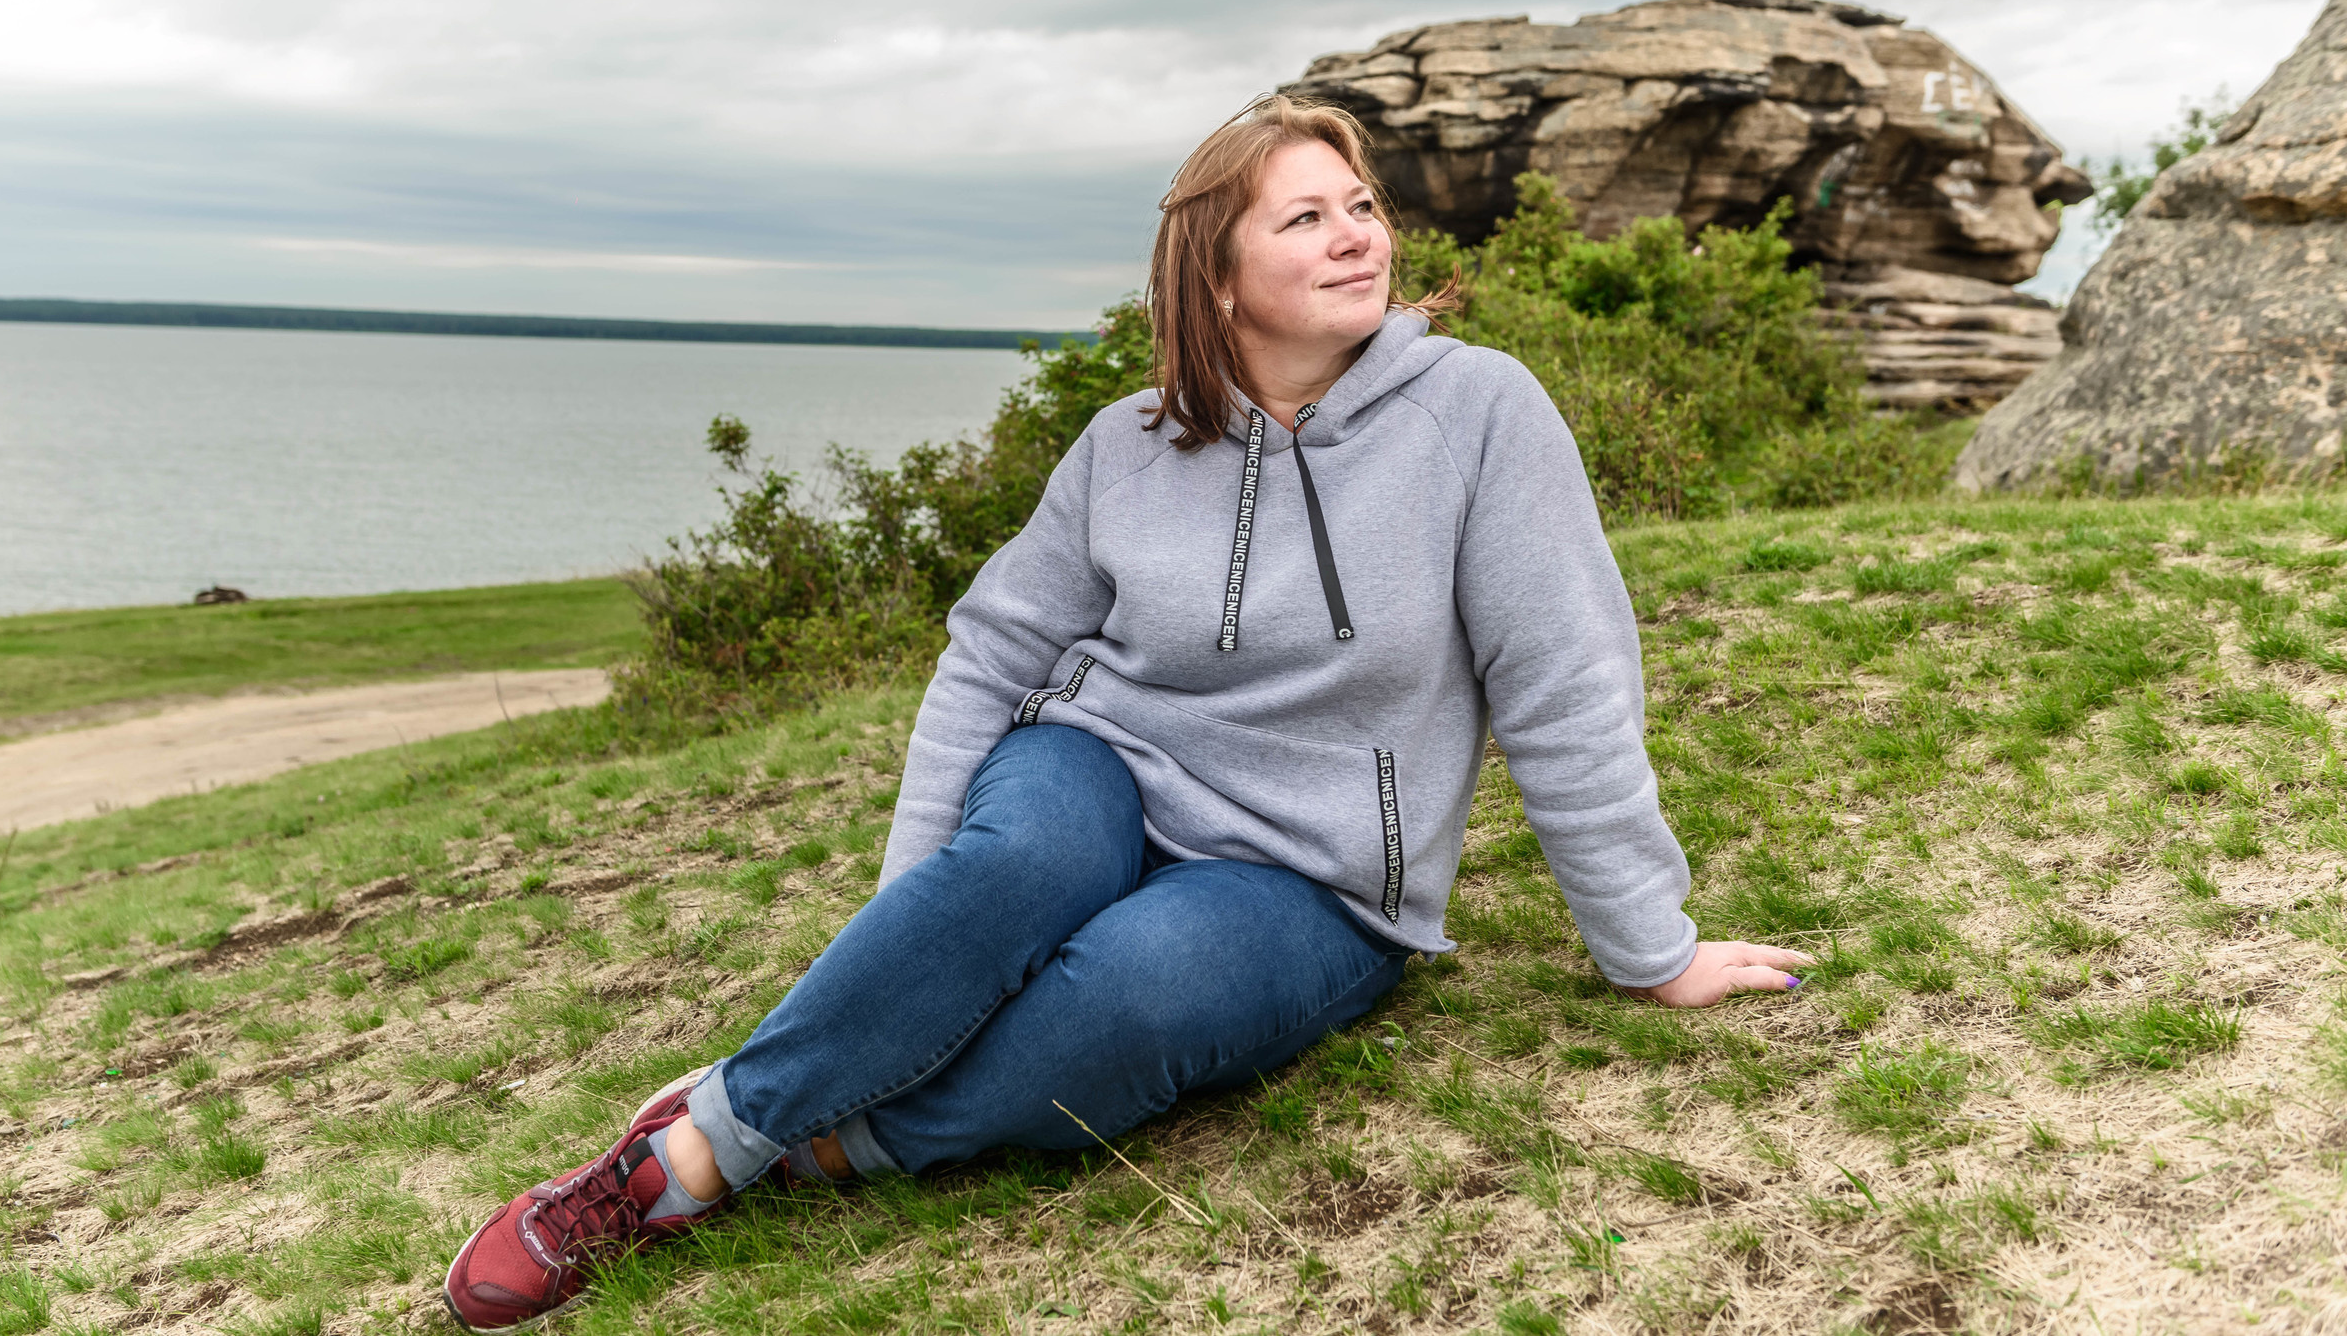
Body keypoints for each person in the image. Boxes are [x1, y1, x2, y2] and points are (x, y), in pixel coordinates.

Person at [442, 96, 1810, 1332]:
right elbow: (988, 655)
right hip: (1099, 761)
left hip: (1311, 873)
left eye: (1363, 207)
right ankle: (669, 1167)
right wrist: (919, 929)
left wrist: (1649, 945)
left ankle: (788, 1131)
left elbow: (1565, 681)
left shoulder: (1481, 415)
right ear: (1218, 274)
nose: (1356, 238)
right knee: (1018, 867)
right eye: (1306, 217)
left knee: (1124, 1006)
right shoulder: (1127, 444)